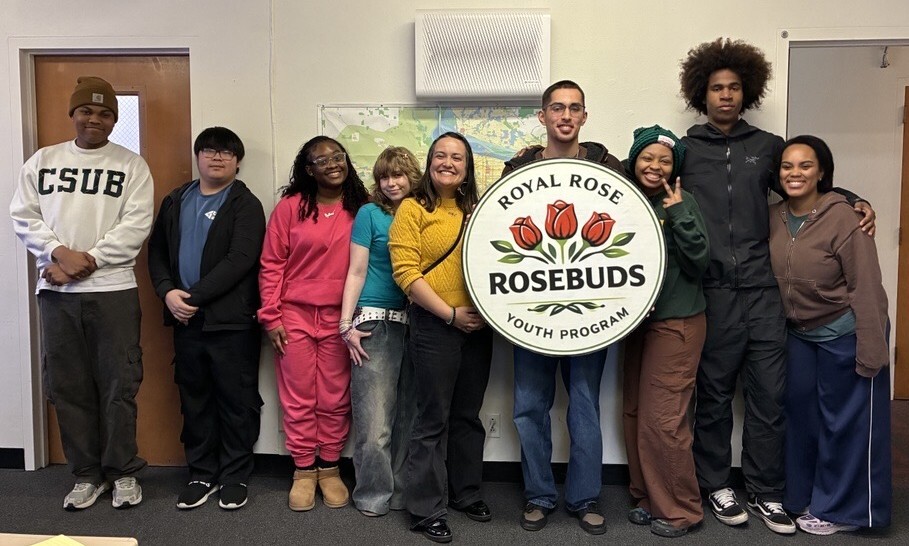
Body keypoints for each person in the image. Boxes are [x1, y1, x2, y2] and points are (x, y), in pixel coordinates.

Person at [678, 38, 875, 535]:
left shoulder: (766, 147)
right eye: (717, 88)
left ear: (748, 93)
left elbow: (803, 181)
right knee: (715, 393)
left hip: (765, 294)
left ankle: (766, 492)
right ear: (703, 93)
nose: (726, 96)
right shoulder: (686, 149)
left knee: (769, 396)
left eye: (735, 88)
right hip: (714, 293)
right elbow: (649, 178)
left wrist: (853, 198)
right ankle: (717, 484)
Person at [10, 76, 153, 510]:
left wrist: (82, 260)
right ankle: (87, 474)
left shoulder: (132, 165)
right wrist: (57, 253)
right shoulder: (43, 161)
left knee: (118, 385)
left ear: (114, 119)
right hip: (55, 295)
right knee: (67, 386)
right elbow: (23, 215)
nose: (95, 119)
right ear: (72, 114)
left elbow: (135, 225)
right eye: (87, 111)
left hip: (113, 290)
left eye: (106, 113)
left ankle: (122, 471)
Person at [500, 80, 624, 535]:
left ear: (584, 117)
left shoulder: (609, 168)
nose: (566, 115)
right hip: (530, 315)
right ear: (543, 116)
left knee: (585, 406)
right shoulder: (517, 170)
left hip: (590, 317)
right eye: (557, 107)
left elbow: (637, 216)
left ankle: (585, 497)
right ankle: (538, 495)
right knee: (529, 407)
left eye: (574, 108)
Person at [769, 135, 890, 535]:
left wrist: (872, 350)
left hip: (847, 332)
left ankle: (844, 511)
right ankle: (804, 497)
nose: (795, 173)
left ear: (822, 172)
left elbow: (866, 286)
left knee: (846, 426)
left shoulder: (846, 218)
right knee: (802, 420)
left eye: (805, 165)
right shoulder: (774, 215)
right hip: (800, 334)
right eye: (788, 166)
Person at [148, 126, 265, 510]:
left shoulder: (245, 204)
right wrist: (168, 292)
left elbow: (240, 260)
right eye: (210, 150)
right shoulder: (175, 199)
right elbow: (158, 253)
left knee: (236, 402)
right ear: (198, 156)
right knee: (194, 400)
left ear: (237, 161)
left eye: (227, 153)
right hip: (186, 323)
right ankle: (201, 473)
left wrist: (192, 297)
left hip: (231, 323)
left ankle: (234, 476)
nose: (217, 157)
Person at [389, 132, 492, 543]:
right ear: (429, 163)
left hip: (479, 328)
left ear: (467, 169)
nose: (448, 162)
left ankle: (465, 494)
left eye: (457, 158)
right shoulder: (412, 210)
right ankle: (426, 509)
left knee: (467, 415)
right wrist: (450, 314)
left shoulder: (482, 211)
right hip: (435, 325)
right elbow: (406, 273)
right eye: (441, 156)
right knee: (432, 419)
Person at [258, 136, 369, 512]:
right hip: (293, 316)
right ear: (309, 169)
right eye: (322, 160)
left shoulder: (362, 209)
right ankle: (304, 469)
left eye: (338, 156)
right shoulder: (290, 208)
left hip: (343, 318)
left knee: (335, 396)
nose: (333, 164)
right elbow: (271, 264)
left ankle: (330, 467)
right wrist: (270, 316)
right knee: (299, 395)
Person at [620, 126, 709, 538]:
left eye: (664, 160)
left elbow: (700, 262)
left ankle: (681, 511)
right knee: (637, 413)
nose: (654, 166)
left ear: (675, 169)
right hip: (636, 326)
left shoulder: (682, 201)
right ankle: (647, 498)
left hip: (677, 324)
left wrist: (678, 214)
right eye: (647, 158)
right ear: (634, 160)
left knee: (664, 420)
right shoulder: (623, 200)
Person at [340, 147, 420, 517]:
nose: (391, 183)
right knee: (375, 424)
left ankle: (401, 494)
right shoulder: (370, 214)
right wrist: (347, 324)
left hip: (419, 323)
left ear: (413, 177)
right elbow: (356, 271)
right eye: (385, 176)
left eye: (399, 175)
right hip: (375, 322)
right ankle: (372, 496)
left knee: (408, 419)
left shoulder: (423, 214)